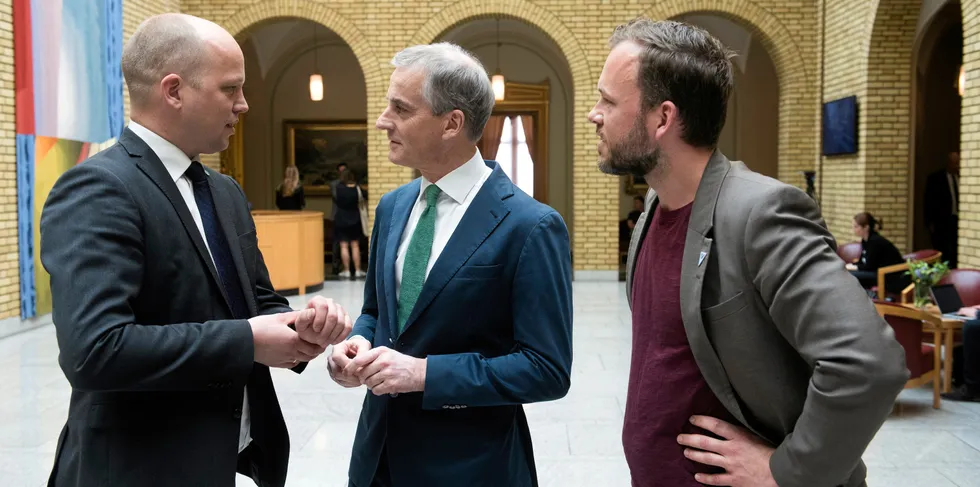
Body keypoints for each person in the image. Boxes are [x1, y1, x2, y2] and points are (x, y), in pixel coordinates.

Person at [590, 18, 908, 487]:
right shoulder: (655, 209)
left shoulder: (761, 212)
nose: (594, 114)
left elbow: (868, 364)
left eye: (608, 101)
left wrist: (788, 471)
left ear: (663, 118)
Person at [39, 13, 352, 487]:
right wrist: (247, 340)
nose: (244, 105)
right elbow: (94, 351)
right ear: (174, 90)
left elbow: (254, 301)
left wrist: (304, 326)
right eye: (231, 89)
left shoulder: (222, 190)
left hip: (226, 456)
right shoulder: (99, 188)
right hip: (140, 466)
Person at [327, 43, 573, 487]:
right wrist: (356, 346)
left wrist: (425, 374)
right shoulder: (392, 207)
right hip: (377, 456)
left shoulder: (531, 226)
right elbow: (377, 313)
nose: (383, 121)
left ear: (451, 123)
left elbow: (546, 370)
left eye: (400, 109)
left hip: (468, 465)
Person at [845, 212, 907, 295]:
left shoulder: (875, 241)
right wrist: (851, 265)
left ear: (866, 227)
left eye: (856, 226)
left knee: (848, 275)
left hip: (887, 275)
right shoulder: (865, 240)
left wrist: (853, 267)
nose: (853, 229)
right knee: (845, 272)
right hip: (875, 271)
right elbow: (863, 261)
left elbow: (869, 266)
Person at [924, 151, 960, 267]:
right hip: (941, 221)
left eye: (958, 163)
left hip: (958, 219)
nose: (957, 166)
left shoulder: (962, 177)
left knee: (955, 249)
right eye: (954, 163)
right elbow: (928, 201)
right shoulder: (936, 178)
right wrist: (929, 222)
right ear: (948, 163)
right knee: (942, 249)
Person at [332, 169, 366, 279]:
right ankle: (357, 270)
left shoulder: (339, 189)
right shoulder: (357, 189)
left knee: (343, 246)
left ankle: (346, 270)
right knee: (355, 245)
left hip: (341, 219)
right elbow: (363, 199)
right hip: (355, 219)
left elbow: (335, 199)